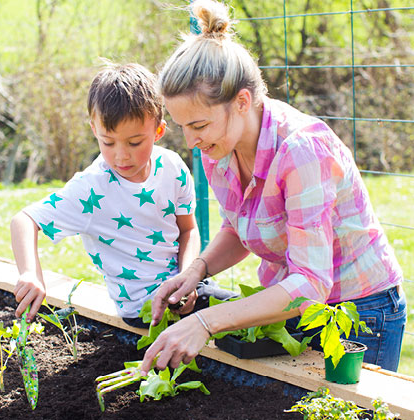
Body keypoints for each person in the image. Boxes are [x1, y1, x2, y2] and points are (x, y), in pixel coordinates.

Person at [140, 0, 406, 375]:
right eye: (183, 126)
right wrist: (196, 271)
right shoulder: (219, 149)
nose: (189, 142)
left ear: (242, 101)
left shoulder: (301, 150)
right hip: (293, 302)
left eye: (198, 126)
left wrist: (204, 322)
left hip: (358, 312)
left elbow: (312, 283)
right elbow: (239, 227)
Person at [11, 62, 204, 326]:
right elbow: (24, 220)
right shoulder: (92, 188)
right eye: (108, 142)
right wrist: (31, 274)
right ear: (94, 129)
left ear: (158, 130)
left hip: (185, 290)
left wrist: (187, 276)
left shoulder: (173, 168)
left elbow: (188, 231)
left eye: (135, 142)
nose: (121, 155)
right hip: (143, 311)